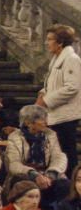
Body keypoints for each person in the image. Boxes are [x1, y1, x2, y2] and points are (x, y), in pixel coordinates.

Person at [5, 104, 70, 210]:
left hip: (48, 177)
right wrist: (34, 175)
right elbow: (14, 164)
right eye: (42, 119)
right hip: (26, 176)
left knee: (65, 185)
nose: (46, 122)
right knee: (20, 182)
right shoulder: (14, 137)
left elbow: (59, 157)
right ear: (28, 123)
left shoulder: (50, 135)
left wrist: (51, 174)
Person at [38, 24, 81, 174]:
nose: (46, 43)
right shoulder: (57, 58)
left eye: (50, 39)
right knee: (58, 154)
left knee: (67, 155)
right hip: (55, 115)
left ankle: (72, 187)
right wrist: (42, 94)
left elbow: (72, 87)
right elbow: (54, 83)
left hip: (65, 116)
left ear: (60, 42)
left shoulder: (71, 59)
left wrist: (47, 100)